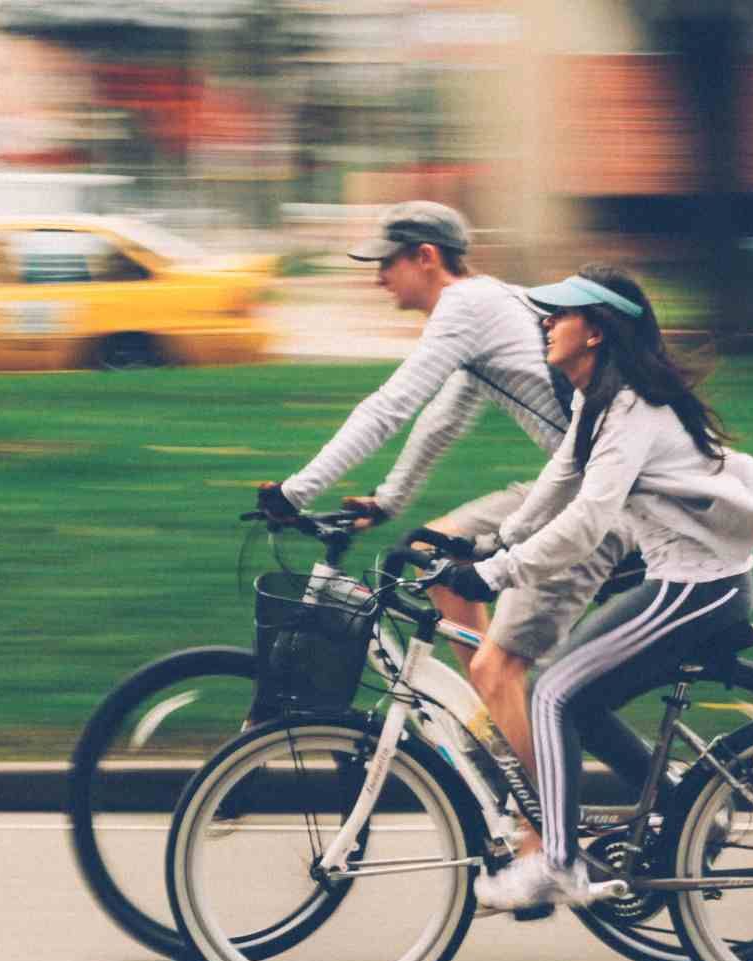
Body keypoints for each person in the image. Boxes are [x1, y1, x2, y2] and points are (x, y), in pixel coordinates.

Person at [255, 201, 639, 816]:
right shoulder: (484, 306)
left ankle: (542, 818)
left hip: (603, 501)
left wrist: (295, 492)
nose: (378, 278)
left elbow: (391, 405)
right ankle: (498, 728)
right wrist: (388, 500)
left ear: (425, 257)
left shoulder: (465, 307)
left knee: (498, 666)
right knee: (431, 552)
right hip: (574, 483)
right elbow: (444, 419)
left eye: (386, 263)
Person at [437, 265, 753, 909]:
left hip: (697, 590)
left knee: (551, 695)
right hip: (684, 584)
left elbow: (586, 523)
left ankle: (558, 864)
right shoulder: (599, 401)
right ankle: (683, 807)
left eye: (561, 315)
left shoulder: (632, 408)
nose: (546, 323)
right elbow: (557, 485)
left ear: (595, 332)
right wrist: (491, 541)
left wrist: (495, 573)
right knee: (580, 701)